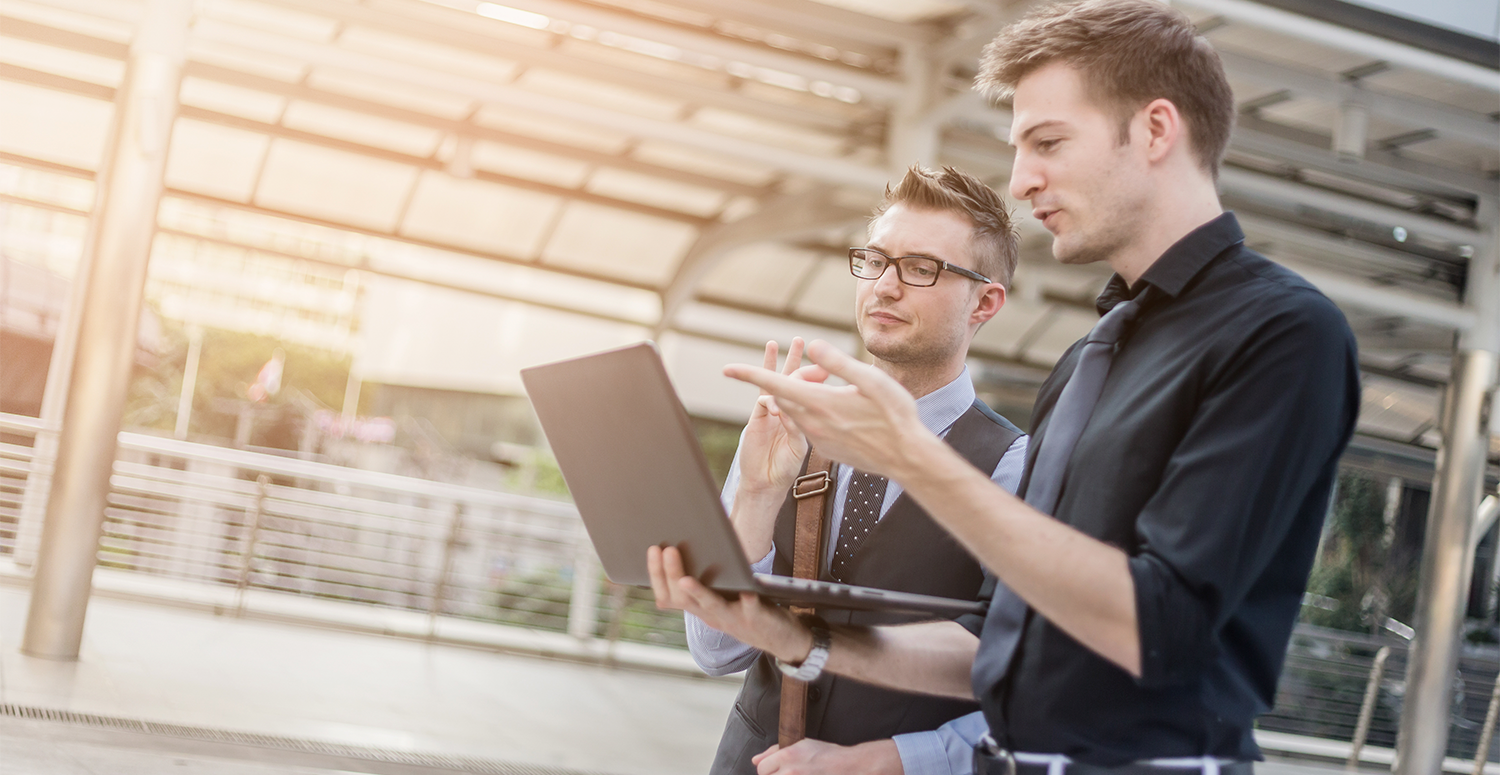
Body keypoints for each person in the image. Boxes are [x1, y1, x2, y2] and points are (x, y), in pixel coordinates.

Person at [652, 0, 1361, 771]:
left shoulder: (1284, 331)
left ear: (1157, 130)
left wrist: (912, 457)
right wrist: (792, 635)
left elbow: (1164, 625)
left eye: (1048, 142)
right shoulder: (1093, 355)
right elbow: (1003, 643)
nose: (1022, 181)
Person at [674, 165, 1030, 775]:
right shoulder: (785, 424)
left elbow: (1023, 682)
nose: (885, 287)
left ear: (985, 302)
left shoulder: (1015, 467)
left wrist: (884, 760)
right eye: (875, 260)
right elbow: (716, 651)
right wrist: (758, 493)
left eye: (922, 269)